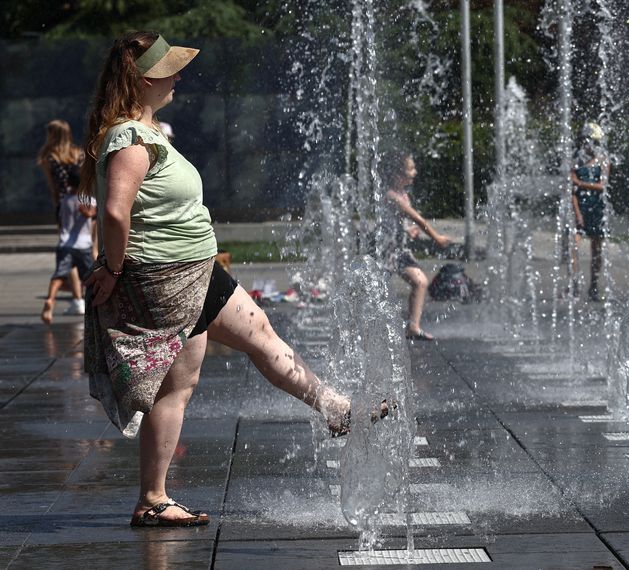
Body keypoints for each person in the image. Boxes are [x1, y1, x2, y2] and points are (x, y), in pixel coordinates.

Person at [79, 31, 377, 528]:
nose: (178, 76)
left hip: (193, 271)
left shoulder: (147, 133)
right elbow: (114, 213)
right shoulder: (129, 138)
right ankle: (153, 497)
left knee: (246, 342)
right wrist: (112, 270)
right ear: (144, 79)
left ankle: (332, 407)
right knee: (192, 377)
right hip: (168, 279)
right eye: (169, 69)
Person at [376, 152, 451, 341]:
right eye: (410, 168)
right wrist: (437, 238)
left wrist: (408, 231)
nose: (415, 172)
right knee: (376, 291)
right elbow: (417, 218)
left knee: (420, 282)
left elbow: (399, 221)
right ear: (396, 173)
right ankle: (363, 328)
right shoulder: (392, 196)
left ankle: (413, 327)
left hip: (398, 251)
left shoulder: (403, 194)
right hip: (385, 251)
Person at [37, 119, 96, 324]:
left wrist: (59, 209)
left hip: (65, 205)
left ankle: (77, 299)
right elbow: (86, 178)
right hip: (86, 202)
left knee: (67, 248)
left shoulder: (49, 157)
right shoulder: (79, 153)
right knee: (90, 248)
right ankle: (92, 299)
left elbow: (54, 188)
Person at [569, 122, 610, 302]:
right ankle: (574, 285)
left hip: (597, 209)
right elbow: (572, 191)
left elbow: (603, 186)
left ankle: (594, 285)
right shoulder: (576, 162)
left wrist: (580, 183)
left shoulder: (604, 161)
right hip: (581, 209)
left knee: (597, 250)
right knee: (573, 247)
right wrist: (577, 213)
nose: (589, 145)